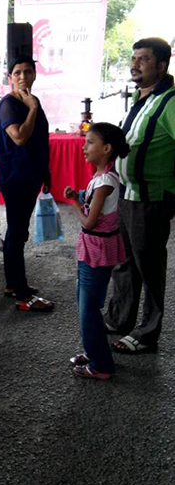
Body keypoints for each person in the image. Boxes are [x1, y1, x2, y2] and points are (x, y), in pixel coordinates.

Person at [105, 37, 175, 353]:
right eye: (133, 58)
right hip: (126, 195)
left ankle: (147, 335)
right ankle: (119, 319)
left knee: (149, 267)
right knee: (123, 262)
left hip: (151, 199)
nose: (135, 64)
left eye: (143, 59)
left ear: (161, 65)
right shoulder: (140, 97)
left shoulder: (170, 102)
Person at [64, 123, 129, 379]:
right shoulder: (101, 177)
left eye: (90, 142)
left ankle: (101, 365)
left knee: (88, 308)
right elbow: (92, 203)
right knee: (86, 303)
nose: (84, 147)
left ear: (106, 148)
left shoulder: (105, 182)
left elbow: (89, 222)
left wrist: (74, 204)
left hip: (97, 250)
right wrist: (79, 196)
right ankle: (94, 351)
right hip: (94, 249)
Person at [0, 55, 54, 312]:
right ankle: (22, 295)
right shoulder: (9, 105)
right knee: (17, 233)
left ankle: (13, 284)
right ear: (10, 77)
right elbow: (19, 137)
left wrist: (46, 173)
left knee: (18, 232)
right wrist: (31, 109)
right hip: (16, 178)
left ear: (34, 75)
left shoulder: (32, 101)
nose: (23, 77)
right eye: (17, 72)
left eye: (27, 72)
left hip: (31, 175)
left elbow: (40, 140)